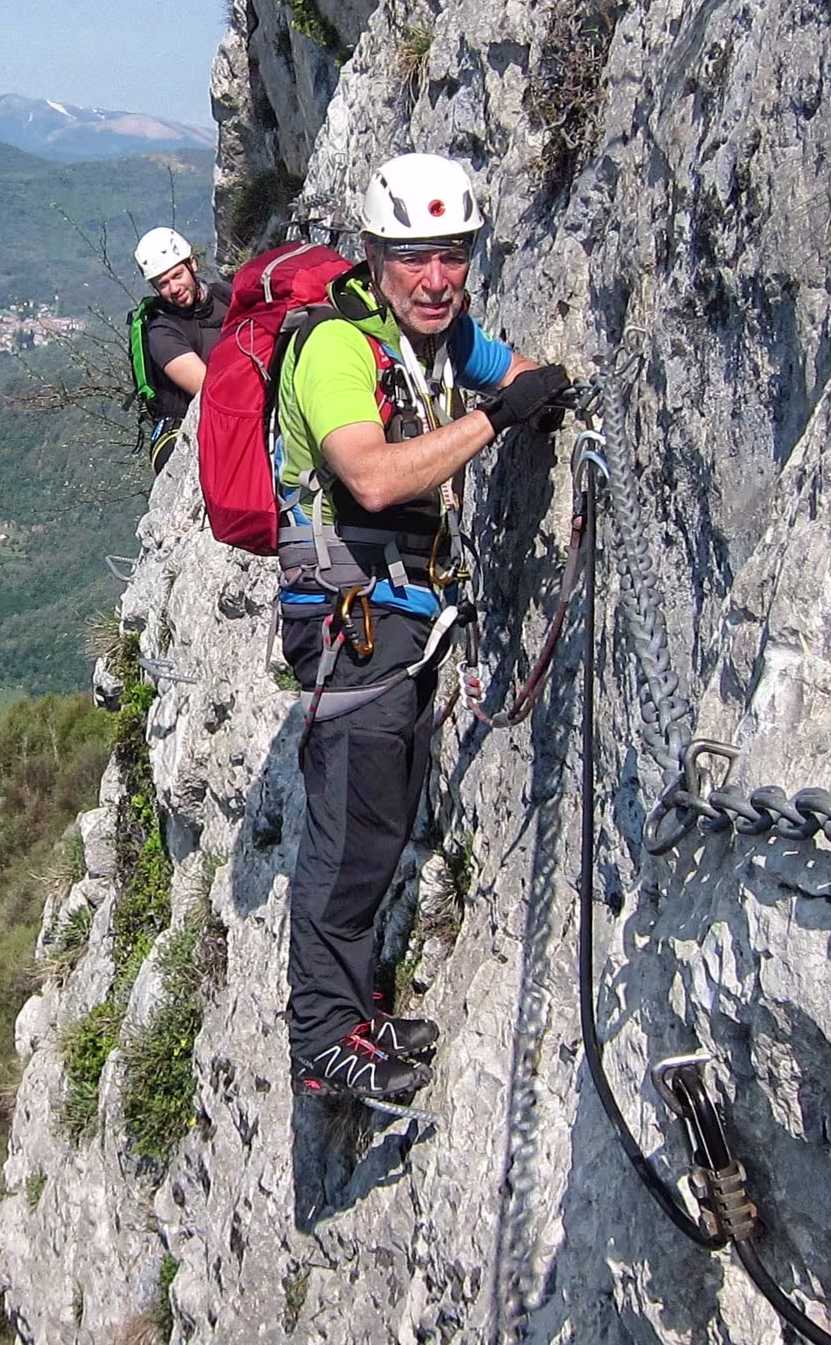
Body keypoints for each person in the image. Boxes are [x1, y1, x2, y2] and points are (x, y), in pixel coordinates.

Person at [276, 153, 575, 1100]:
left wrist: (549, 390)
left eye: (453, 255)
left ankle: (350, 1017)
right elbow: (371, 476)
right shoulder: (337, 350)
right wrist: (495, 418)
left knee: (381, 818)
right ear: (373, 256)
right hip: (349, 622)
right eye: (414, 259)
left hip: (399, 617)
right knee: (351, 831)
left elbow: (519, 373)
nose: (437, 278)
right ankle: (321, 1037)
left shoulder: (438, 340)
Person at [130, 227, 231, 474]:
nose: (174, 288)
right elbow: (208, 388)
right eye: (163, 284)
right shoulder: (162, 331)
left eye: (177, 275)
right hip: (181, 426)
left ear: (192, 265)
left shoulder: (225, 295)